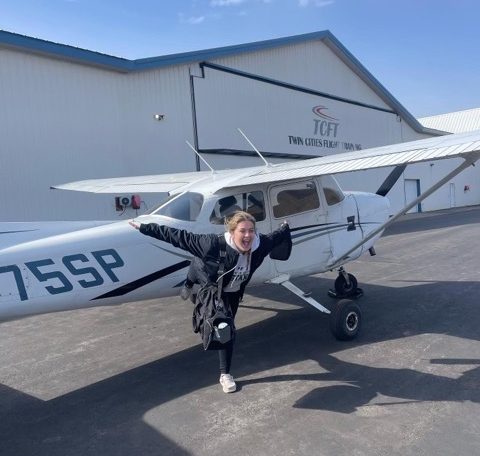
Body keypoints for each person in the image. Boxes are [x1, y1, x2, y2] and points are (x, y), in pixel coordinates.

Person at [129, 211, 291, 393]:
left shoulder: (260, 246)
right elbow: (178, 237)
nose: (247, 236)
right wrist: (145, 227)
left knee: (225, 330)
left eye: (251, 231)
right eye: (242, 231)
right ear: (231, 232)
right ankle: (225, 374)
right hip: (211, 281)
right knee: (222, 324)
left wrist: (285, 227)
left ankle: (225, 374)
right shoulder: (211, 244)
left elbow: (277, 237)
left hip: (232, 291)